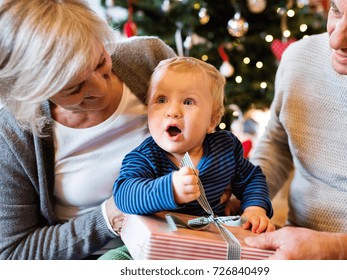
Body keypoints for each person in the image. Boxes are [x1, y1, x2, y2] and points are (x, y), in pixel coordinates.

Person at [0, 0, 176, 259]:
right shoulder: (13, 134)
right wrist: (108, 217)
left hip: (187, 239)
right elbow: (13, 254)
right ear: (34, 91)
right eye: (74, 89)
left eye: (100, 63)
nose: (100, 90)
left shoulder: (150, 58)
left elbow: (206, 129)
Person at [246, 0, 347, 259]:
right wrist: (247, 197)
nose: (335, 41)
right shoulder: (299, 57)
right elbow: (278, 142)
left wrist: (338, 249)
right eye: (335, 10)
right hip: (291, 248)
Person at [113, 57, 274, 233]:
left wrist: (254, 209)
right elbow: (124, 194)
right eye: (161, 100)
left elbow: (252, 179)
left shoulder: (225, 148)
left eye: (188, 102)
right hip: (157, 241)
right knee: (114, 259)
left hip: (211, 237)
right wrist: (171, 189)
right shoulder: (145, 157)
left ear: (212, 120)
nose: (172, 112)